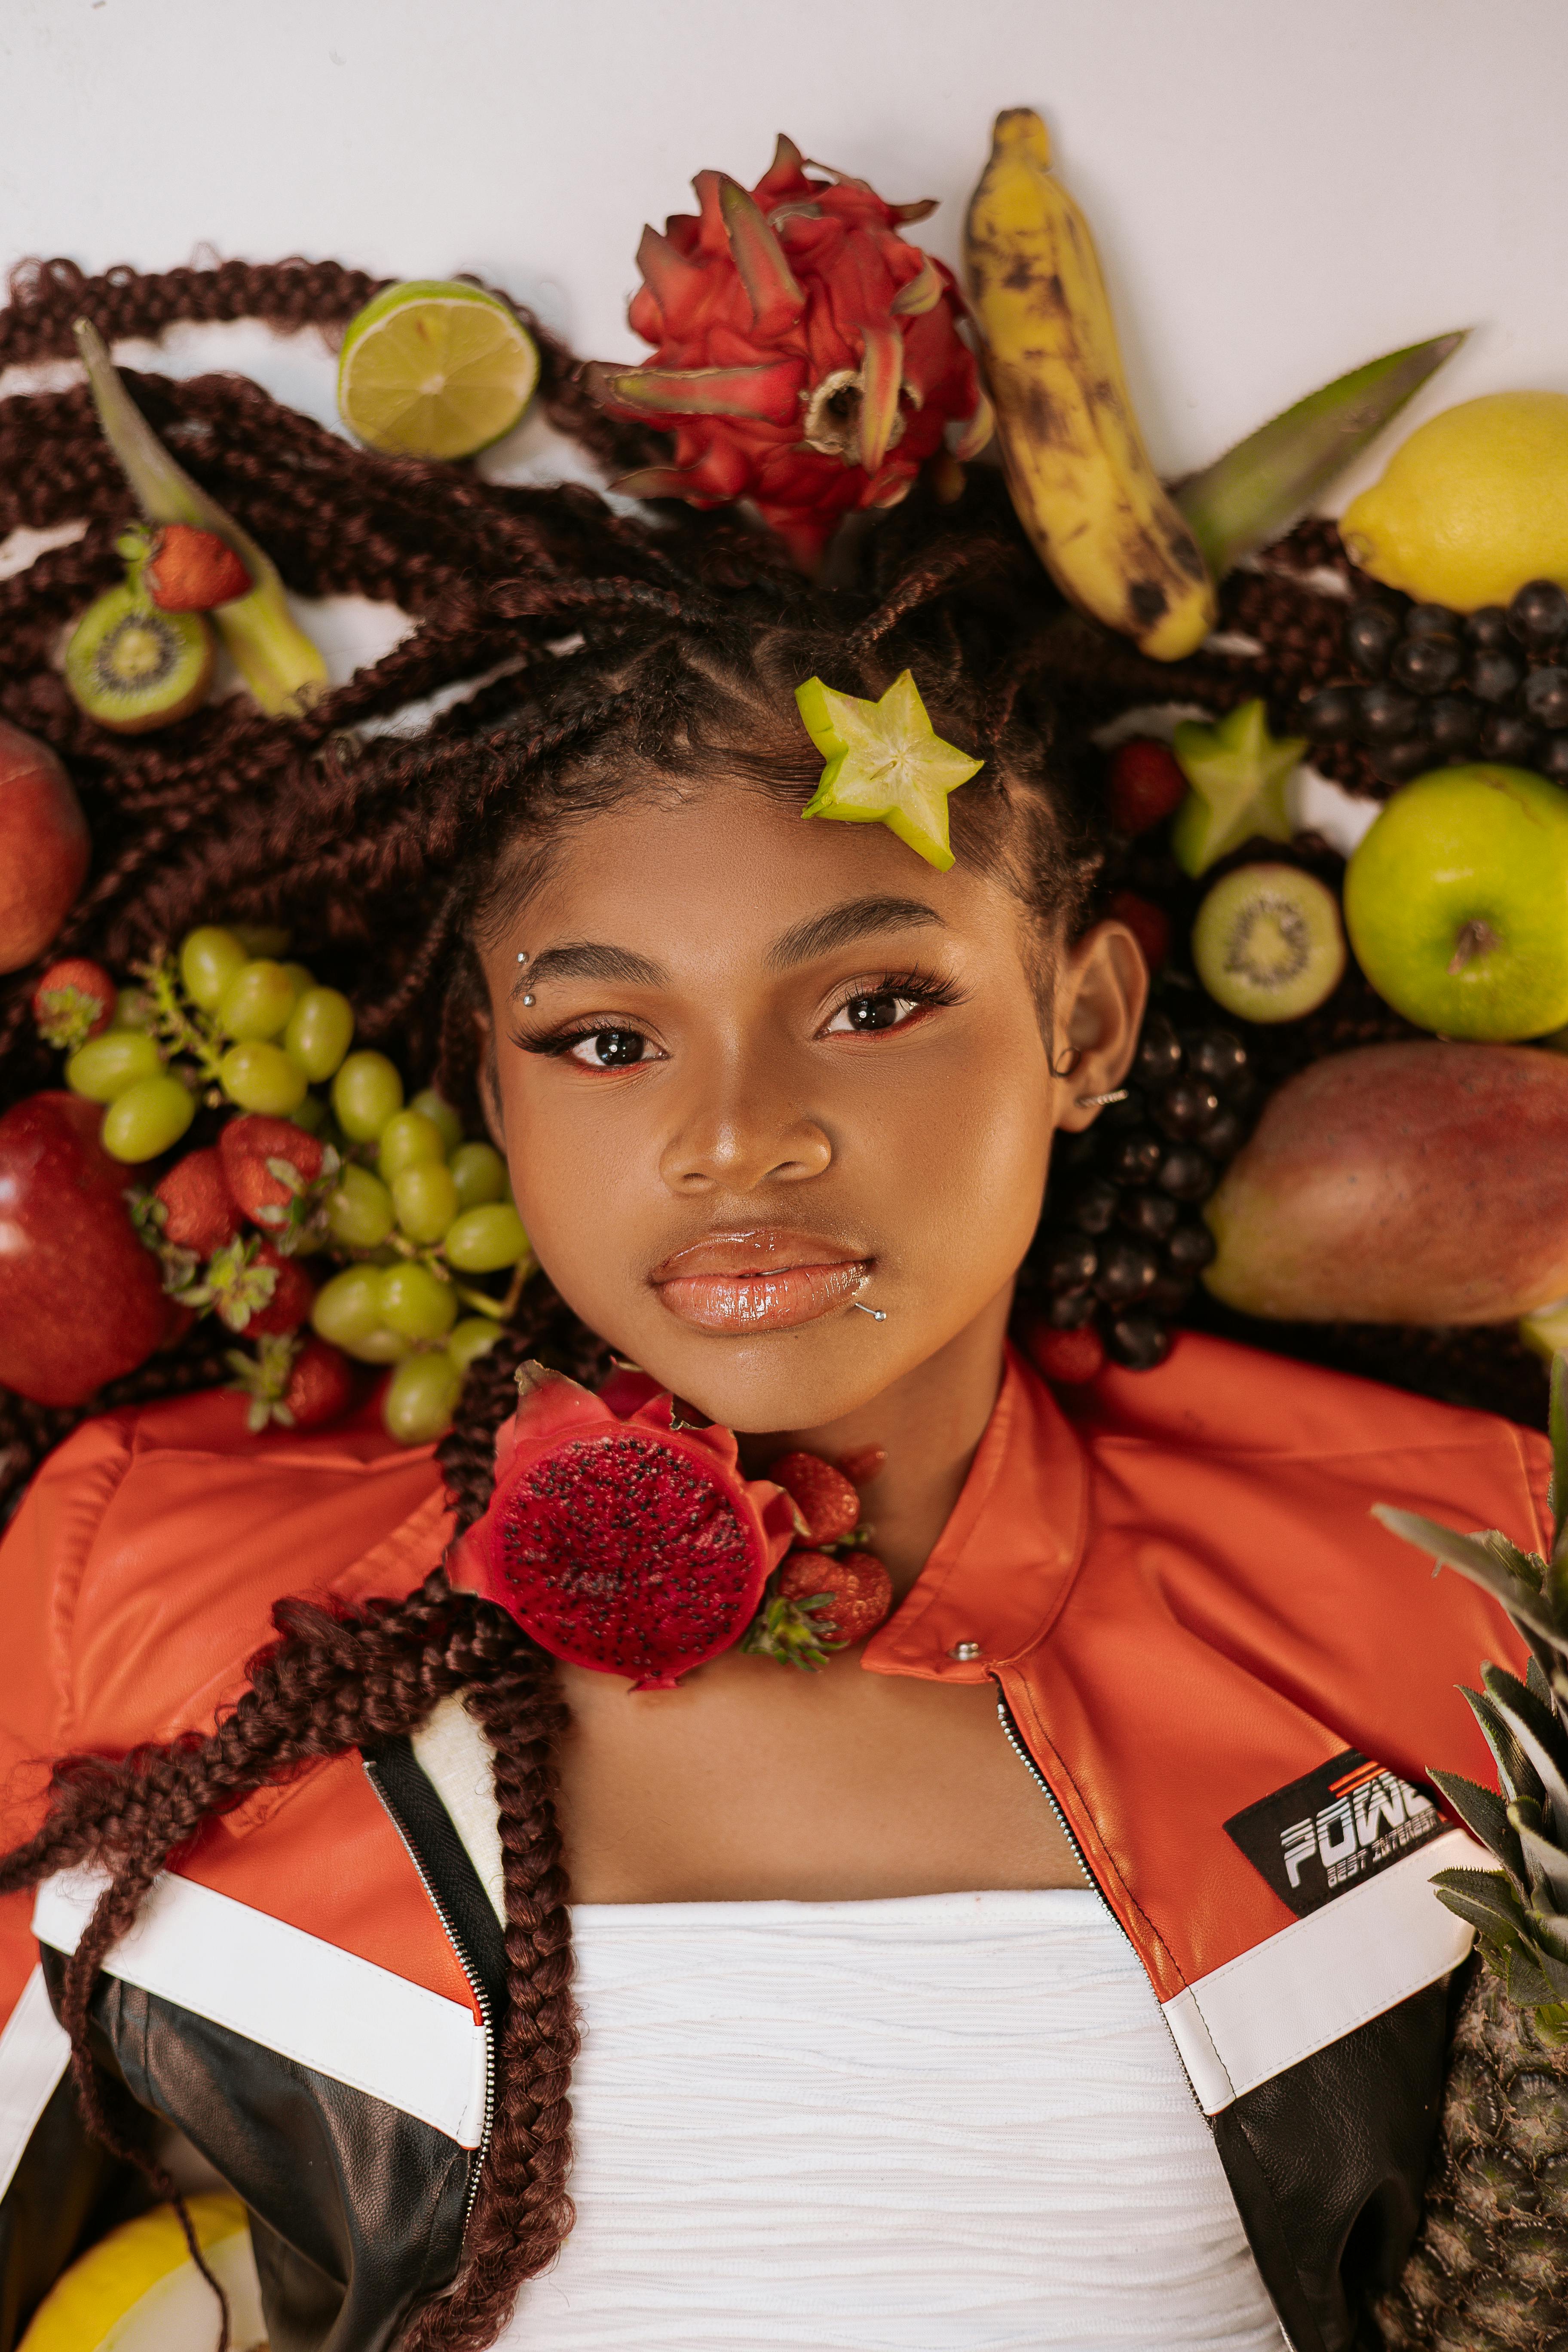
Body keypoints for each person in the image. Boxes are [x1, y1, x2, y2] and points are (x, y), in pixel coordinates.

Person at [0, 260, 1550, 2352]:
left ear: (1085, 1023)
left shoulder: (1466, 1577)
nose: (742, 1138)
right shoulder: (131, 1583)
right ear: (486, 1086)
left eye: (879, 1001)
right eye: (607, 1042)